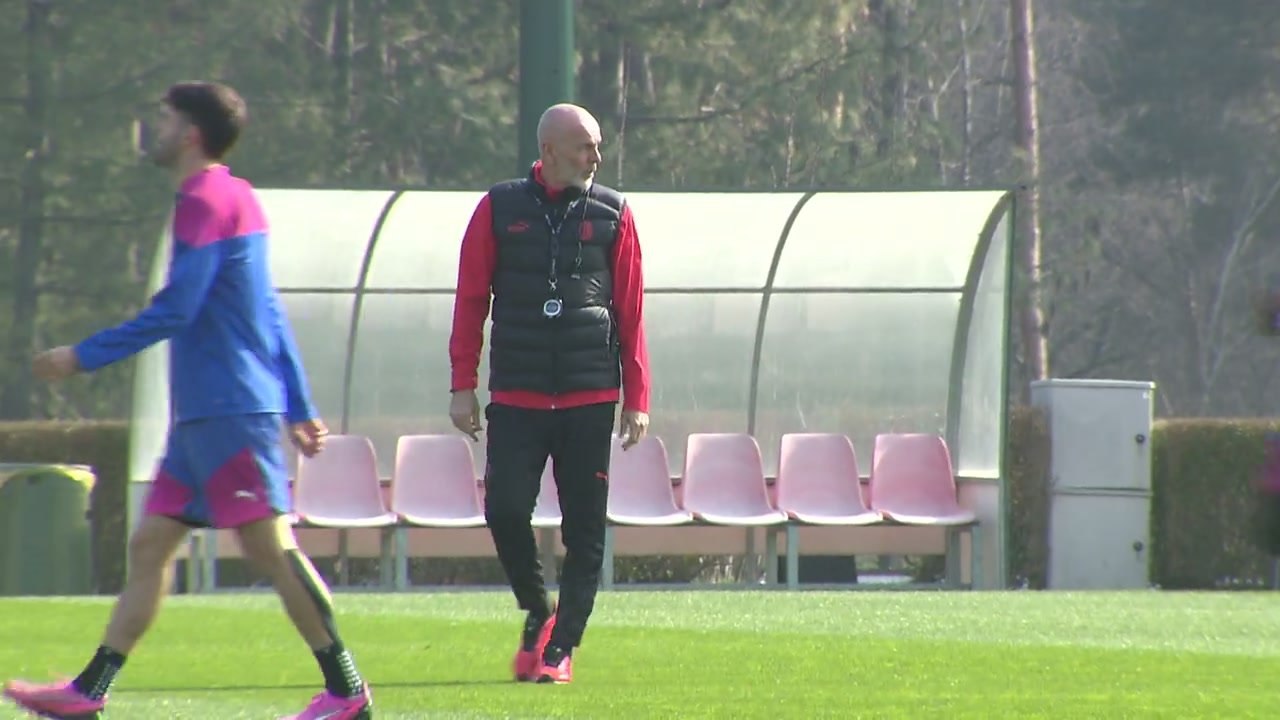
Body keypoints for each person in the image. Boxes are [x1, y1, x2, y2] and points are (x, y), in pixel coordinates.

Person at [2, 82, 373, 720]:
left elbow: (179, 307)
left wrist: (83, 355)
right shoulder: (235, 196)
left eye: (166, 118)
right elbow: (266, 309)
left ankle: (346, 690)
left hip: (230, 411)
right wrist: (297, 401)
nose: (156, 128)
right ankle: (89, 691)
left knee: (270, 548)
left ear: (191, 133)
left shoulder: (205, 199)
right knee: (151, 545)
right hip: (203, 417)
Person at [448, 103, 651, 685]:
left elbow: (632, 310)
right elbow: (470, 299)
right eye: (586, 146)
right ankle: (538, 611)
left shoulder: (614, 213)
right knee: (505, 510)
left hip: (590, 395)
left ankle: (561, 649)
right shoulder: (498, 208)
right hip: (518, 395)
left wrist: (638, 396)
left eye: (597, 146)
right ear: (550, 150)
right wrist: (463, 384)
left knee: (585, 529)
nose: (596, 157)